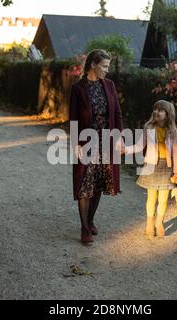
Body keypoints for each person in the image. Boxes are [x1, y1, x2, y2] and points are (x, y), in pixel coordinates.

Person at [69, 49, 125, 245]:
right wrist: (76, 142)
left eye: (108, 67)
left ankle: (91, 220)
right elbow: (73, 117)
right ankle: (84, 228)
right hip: (87, 141)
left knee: (99, 182)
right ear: (93, 64)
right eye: (104, 66)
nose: (107, 70)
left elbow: (117, 113)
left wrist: (118, 137)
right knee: (85, 183)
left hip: (106, 141)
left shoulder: (109, 85)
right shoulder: (78, 88)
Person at [119, 100, 177, 240]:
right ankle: (149, 222)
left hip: (167, 167)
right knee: (151, 198)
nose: (157, 112)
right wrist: (126, 150)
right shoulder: (149, 128)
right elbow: (140, 146)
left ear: (168, 113)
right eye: (155, 109)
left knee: (164, 199)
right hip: (151, 166)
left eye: (160, 110)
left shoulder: (172, 131)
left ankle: (159, 222)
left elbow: (176, 153)